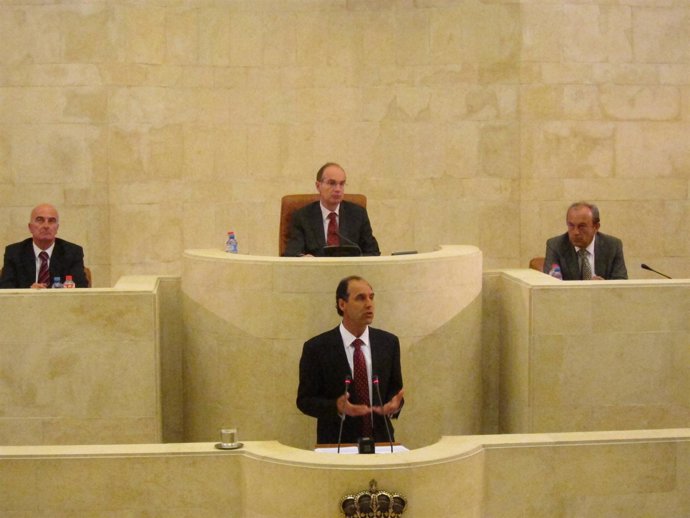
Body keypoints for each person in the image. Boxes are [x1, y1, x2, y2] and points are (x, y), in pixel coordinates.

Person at [296, 275, 404, 445]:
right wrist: (336, 406)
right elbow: (305, 401)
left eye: (371, 297)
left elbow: (395, 390)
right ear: (342, 304)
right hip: (336, 443)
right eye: (360, 298)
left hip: (381, 442)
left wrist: (394, 405)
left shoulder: (388, 343)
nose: (369, 304)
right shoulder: (317, 348)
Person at [283, 162, 380, 257]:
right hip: (316, 271)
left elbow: (373, 252)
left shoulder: (358, 214)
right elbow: (292, 253)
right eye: (332, 183)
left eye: (342, 184)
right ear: (318, 186)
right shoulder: (302, 217)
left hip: (350, 271)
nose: (338, 189)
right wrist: (304, 258)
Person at [0, 203, 88, 289]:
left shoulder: (72, 252)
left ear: (57, 228)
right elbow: (6, 289)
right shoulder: (14, 253)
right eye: (40, 220)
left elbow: (81, 287)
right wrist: (29, 293)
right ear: (30, 227)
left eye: (51, 221)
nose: (46, 226)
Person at [543, 201, 627, 280]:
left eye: (582, 226)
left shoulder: (612, 246)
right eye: (571, 225)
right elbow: (551, 285)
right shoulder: (555, 246)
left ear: (596, 227)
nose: (575, 232)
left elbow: (621, 283)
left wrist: (603, 287)